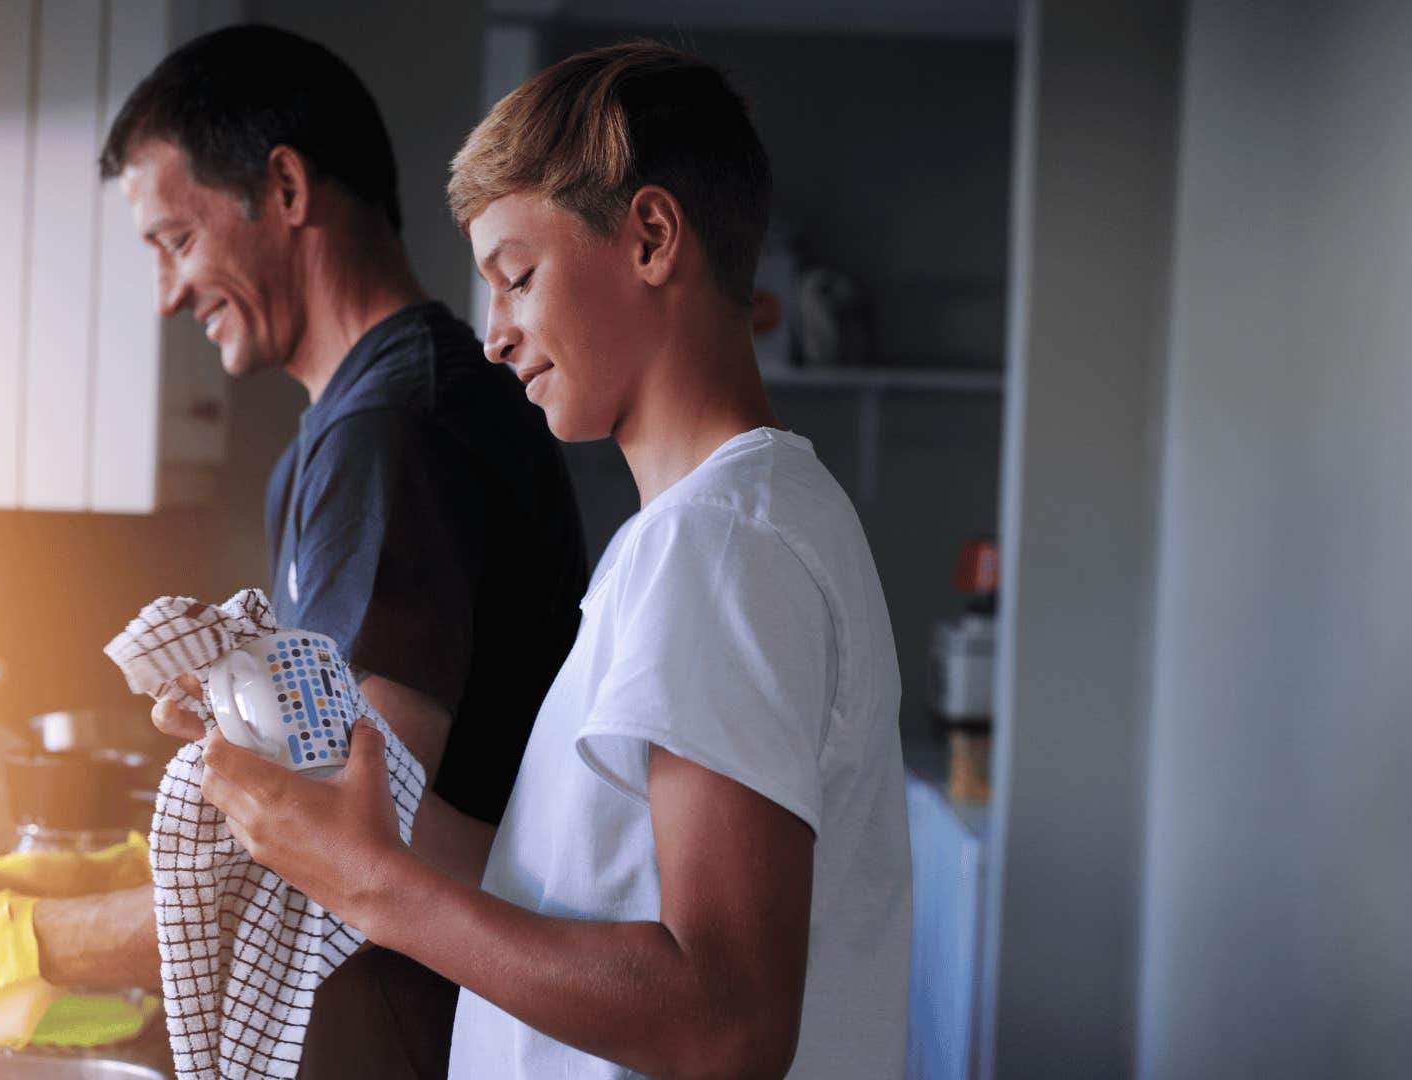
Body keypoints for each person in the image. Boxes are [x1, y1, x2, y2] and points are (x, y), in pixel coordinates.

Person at [193, 41, 913, 1079]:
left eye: (517, 277)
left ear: (652, 237)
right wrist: (308, 769)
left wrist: (374, 891)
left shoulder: (716, 545)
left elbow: (726, 1021)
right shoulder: (696, 533)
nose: (496, 336)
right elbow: (544, 889)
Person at [19, 24, 588, 1077]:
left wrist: (32, 944)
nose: (167, 292)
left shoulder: (395, 434)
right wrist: (63, 880)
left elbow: (324, 845)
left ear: (283, 187)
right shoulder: (350, 431)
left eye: (175, 241)